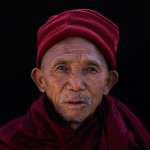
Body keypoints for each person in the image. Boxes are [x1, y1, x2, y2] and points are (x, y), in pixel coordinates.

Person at [0, 8, 149, 150]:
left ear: (108, 82)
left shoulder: (130, 141)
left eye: (91, 69)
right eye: (61, 68)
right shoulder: (10, 143)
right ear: (40, 80)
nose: (76, 85)